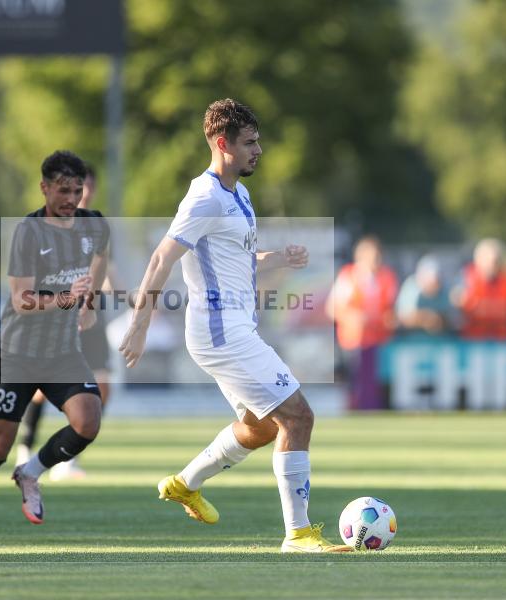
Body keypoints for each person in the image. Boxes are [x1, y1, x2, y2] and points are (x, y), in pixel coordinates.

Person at [119, 98, 350, 553]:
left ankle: (186, 483)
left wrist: (278, 259)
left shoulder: (238, 194)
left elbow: (235, 259)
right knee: (299, 416)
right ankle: (298, 535)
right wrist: (140, 322)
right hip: (222, 333)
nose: (258, 150)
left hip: (234, 329)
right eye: (249, 142)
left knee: (262, 428)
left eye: (258, 140)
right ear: (222, 143)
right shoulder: (203, 197)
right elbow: (163, 257)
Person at [0, 151, 109, 543]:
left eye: (77, 190)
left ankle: (32, 471)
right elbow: (21, 299)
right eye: (63, 190)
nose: (71, 199)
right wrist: (67, 300)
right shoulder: (28, 231)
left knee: (88, 420)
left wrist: (89, 303)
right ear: (44, 188)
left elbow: (100, 261)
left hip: (62, 351)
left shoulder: (95, 224)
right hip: (18, 353)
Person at [15, 162, 111, 481]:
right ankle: (27, 448)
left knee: (103, 387)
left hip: (91, 314)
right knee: (45, 390)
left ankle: (68, 457)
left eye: (85, 189)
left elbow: (104, 270)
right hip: (60, 318)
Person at [326, 236, 399, 410]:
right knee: (355, 383)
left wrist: (389, 319)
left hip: (380, 341)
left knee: (378, 384)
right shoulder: (348, 276)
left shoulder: (387, 277)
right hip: (354, 341)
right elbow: (332, 308)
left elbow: (391, 309)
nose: (376, 260)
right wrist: (354, 317)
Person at [453, 238, 506, 340]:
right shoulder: (465, 279)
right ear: (479, 260)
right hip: (472, 341)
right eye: (492, 261)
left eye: (497, 261)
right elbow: (456, 310)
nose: (494, 265)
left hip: (500, 341)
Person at [395, 254, 454, 336]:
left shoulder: (444, 289)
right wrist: (426, 318)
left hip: (439, 341)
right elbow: (402, 318)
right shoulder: (411, 287)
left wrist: (439, 320)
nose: (434, 285)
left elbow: (452, 319)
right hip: (410, 341)